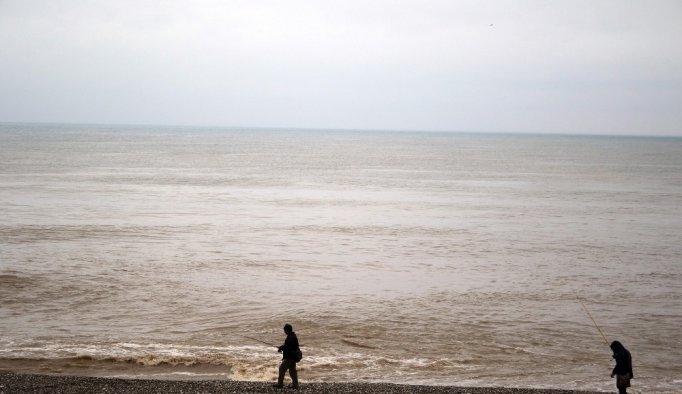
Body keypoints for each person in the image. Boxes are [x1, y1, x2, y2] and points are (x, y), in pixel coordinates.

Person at [273, 323, 300, 389]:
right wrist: (282, 348)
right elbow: (288, 346)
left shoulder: (291, 337)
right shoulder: (292, 336)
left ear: (287, 330)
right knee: (292, 370)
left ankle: (280, 384)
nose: (284, 332)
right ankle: (295, 385)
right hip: (293, 356)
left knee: (281, 368)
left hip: (290, 357)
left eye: (284, 330)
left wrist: (281, 348)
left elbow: (288, 347)